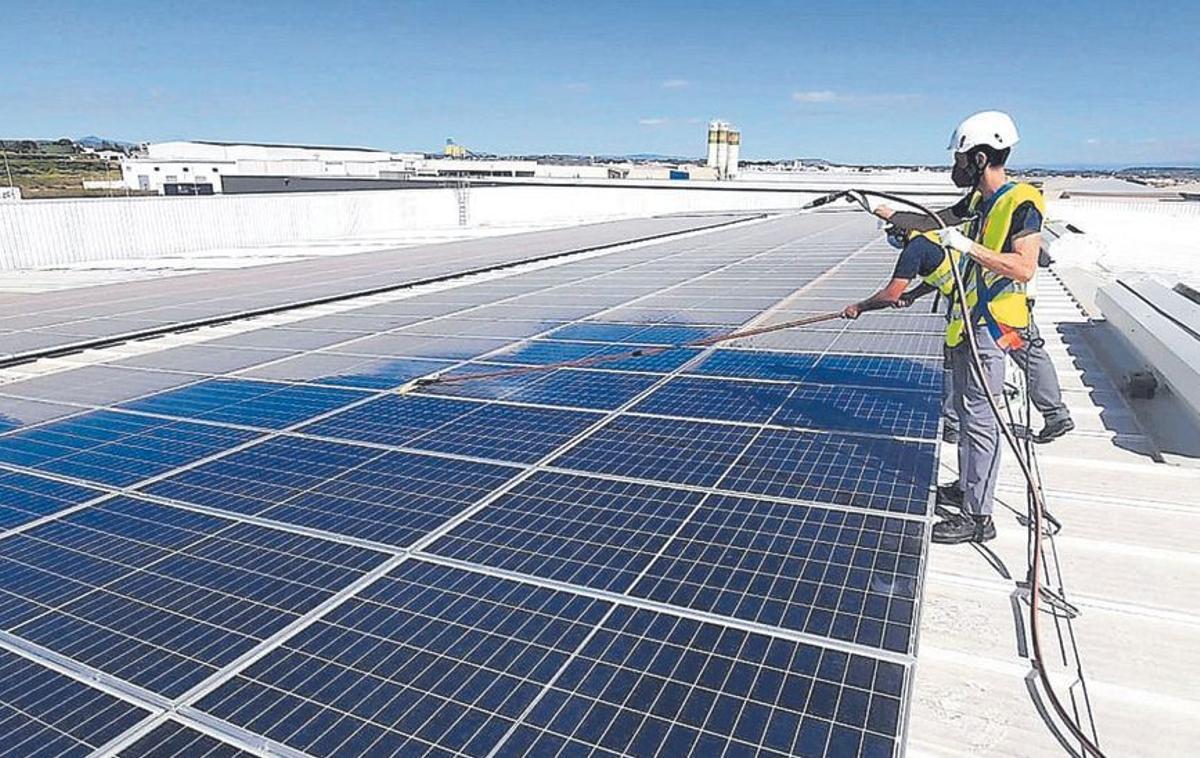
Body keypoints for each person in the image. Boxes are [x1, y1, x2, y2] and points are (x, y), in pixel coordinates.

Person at [846, 111, 1047, 544]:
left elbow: (1024, 267)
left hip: (993, 327)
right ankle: (968, 489)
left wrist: (967, 246)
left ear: (978, 157)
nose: (953, 167)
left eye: (958, 159)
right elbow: (928, 222)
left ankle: (979, 518)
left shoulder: (1021, 201)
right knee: (966, 413)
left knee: (979, 419)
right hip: (966, 324)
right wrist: (879, 208)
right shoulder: (977, 202)